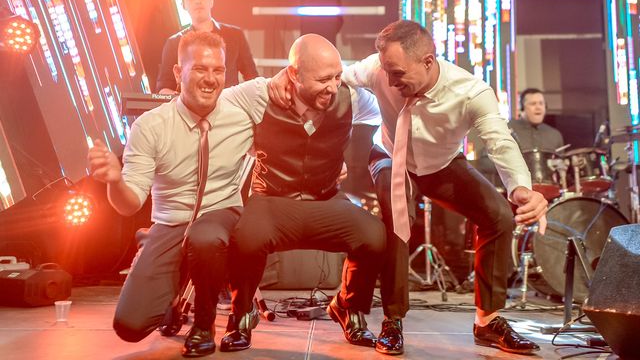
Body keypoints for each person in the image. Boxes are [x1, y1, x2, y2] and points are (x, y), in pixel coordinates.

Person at [270, 20, 548, 356]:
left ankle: (487, 321)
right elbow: (330, 74)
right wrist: (283, 78)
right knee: (398, 220)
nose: (388, 80)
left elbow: (499, 142)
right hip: (389, 155)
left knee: (499, 215)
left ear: (428, 62)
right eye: (386, 70)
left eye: (398, 73)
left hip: (440, 165)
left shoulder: (472, 92)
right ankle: (392, 319)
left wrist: (521, 188)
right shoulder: (377, 68)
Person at [88, 31, 268, 357]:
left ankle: (204, 324)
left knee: (207, 237)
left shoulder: (242, 115)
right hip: (170, 222)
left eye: (218, 70)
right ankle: (163, 261)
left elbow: (293, 93)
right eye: (200, 69)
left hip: (221, 216)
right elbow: (129, 204)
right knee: (129, 325)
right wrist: (114, 181)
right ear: (177, 73)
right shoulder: (151, 126)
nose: (210, 79)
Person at [219, 34, 387, 353]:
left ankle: (347, 307)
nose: (332, 86)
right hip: (272, 201)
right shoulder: (259, 94)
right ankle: (241, 316)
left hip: (325, 199)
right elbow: (215, 104)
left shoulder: (352, 97)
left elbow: (388, 111)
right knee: (244, 236)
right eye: (323, 79)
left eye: (337, 77)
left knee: (373, 234)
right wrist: (244, 154)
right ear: (294, 74)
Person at [156, 0, 258, 93]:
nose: (198, 1)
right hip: (190, 109)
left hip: (228, 107)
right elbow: (163, 87)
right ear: (183, 5)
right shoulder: (174, 43)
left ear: (211, 1)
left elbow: (253, 78)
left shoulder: (235, 35)